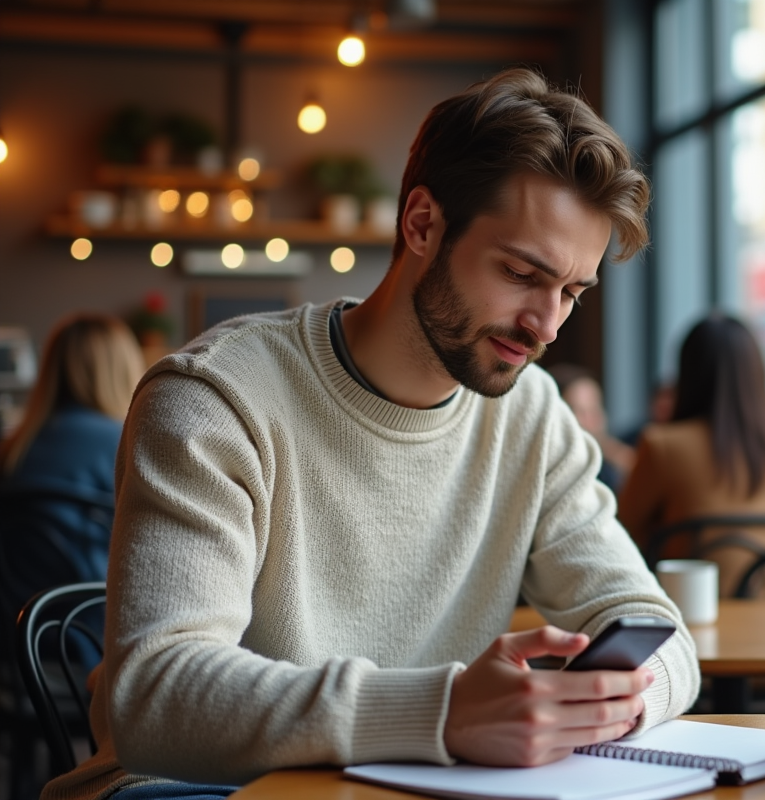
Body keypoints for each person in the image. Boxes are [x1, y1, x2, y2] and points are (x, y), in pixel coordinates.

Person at [46, 69, 699, 800]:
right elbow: (155, 700)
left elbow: (654, 631)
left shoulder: (534, 417)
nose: (546, 324)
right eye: (521, 273)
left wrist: (600, 702)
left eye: (571, 293)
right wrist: (444, 714)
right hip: (192, 788)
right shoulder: (215, 398)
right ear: (422, 224)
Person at [617, 314, 765, 597]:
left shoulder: (663, 446)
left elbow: (620, 538)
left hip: (700, 623)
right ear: (759, 372)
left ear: (687, 374)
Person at [0, 313, 143, 619]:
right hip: (99, 625)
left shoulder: (14, 447)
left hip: (22, 630)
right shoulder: (127, 442)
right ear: (124, 370)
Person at [548, 363, 635, 491]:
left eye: (595, 408)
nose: (593, 419)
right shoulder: (558, 475)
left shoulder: (615, 463)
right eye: (581, 412)